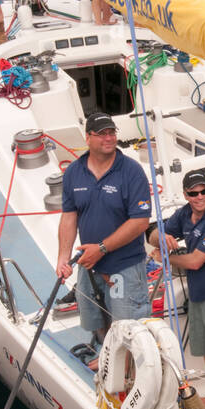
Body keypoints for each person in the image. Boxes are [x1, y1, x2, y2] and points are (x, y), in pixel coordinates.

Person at [56, 112, 153, 365]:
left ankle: (127, 368)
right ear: (88, 137)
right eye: (102, 133)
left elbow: (140, 221)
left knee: (129, 325)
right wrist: (63, 259)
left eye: (112, 132)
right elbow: (69, 217)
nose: (109, 138)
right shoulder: (73, 173)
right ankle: (107, 353)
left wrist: (101, 248)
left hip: (125, 267)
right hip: (88, 267)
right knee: (93, 318)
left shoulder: (131, 171)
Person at [149, 171, 205, 405]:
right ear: (186, 195)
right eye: (193, 193)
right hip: (198, 292)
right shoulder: (185, 214)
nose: (200, 197)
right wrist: (163, 237)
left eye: (204, 191)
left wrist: (164, 259)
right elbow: (153, 234)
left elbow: (196, 261)